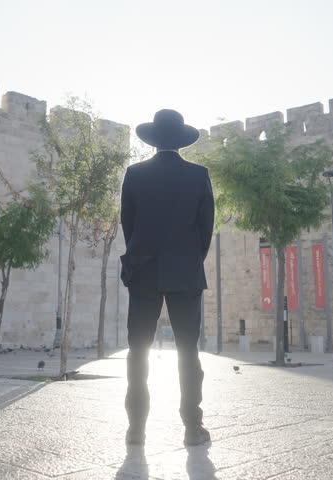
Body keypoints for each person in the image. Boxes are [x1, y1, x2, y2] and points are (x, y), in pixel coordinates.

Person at [120, 109, 215, 447]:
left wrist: (142, 255)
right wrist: (190, 260)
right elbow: (206, 230)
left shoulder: (134, 174)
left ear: (153, 139)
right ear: (181, 141)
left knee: (138, 351)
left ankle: (136, 429)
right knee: (188, 352)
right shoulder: (199, 175)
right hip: (186, 272)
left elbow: (127, 224)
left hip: (143, 270)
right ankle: (192, 427)